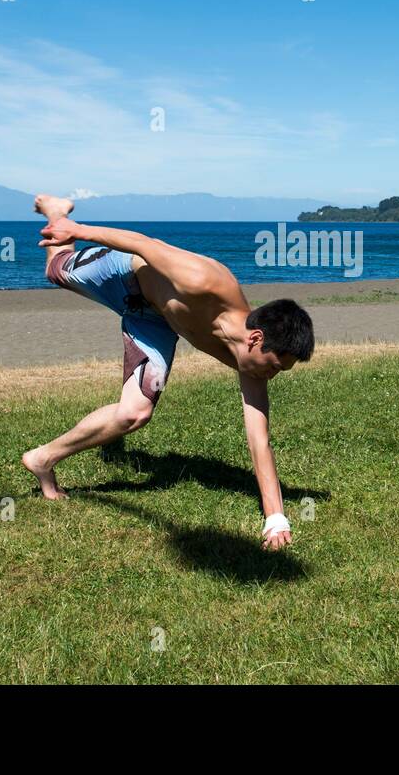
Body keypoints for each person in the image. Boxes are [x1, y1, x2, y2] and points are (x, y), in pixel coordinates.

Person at [21, 195, 314, 550]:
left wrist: (275, 518)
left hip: (153, 321)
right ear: (256, 338)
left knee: (135, 414)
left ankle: (42, 459)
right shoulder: (204, 280)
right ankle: (57, 210)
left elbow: (259, 440)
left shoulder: (251, 363)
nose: (273, 375)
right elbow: (144, 244)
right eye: (274, 366)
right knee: (55, 272)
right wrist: (75, 229)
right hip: (123, 277)